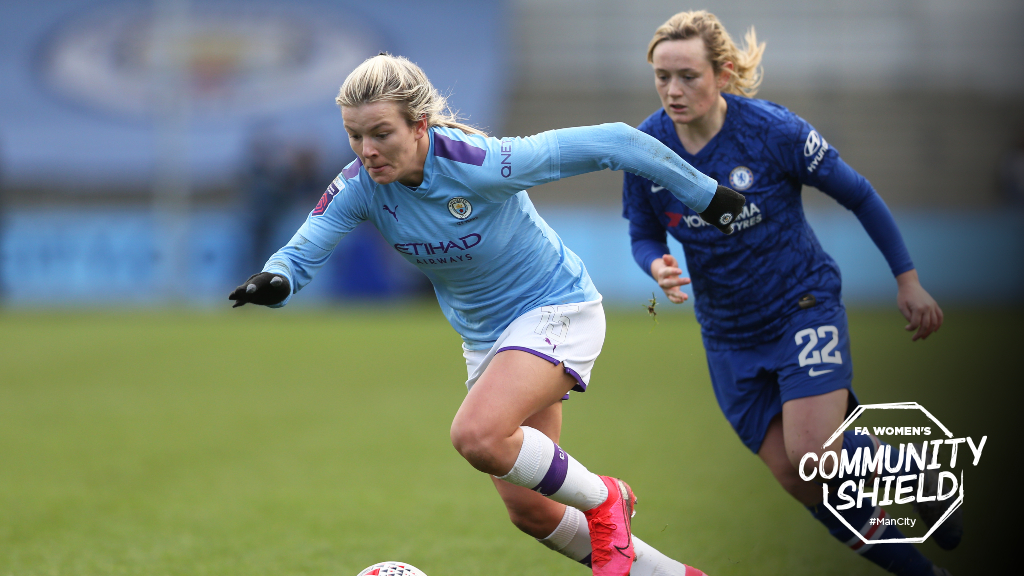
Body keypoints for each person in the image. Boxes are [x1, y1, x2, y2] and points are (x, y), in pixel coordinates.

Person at [230, 53, 745, 576]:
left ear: (419, 125)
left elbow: (616, 141)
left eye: (381, 133)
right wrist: (276, 281)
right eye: (354, 136)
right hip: (486, 341)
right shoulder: (361, 185)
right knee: (533, 511)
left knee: (476, 435)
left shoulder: (482, 164)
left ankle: (605, 497)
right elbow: (301, 254)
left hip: (555, 307)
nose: (367, 151)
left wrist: (707, 196)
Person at [621, 11, 956, 576]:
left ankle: (917, 474)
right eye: (662, 77)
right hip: (727, 334)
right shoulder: (646, 148)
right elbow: (642, 231)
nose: (673, 91)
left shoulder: (773, 132)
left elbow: (861, 195)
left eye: (688, 76)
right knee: (800, 479)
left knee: (814, 454)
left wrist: (907, 279)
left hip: (801, 305)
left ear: (723, 73)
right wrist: (656, 263)